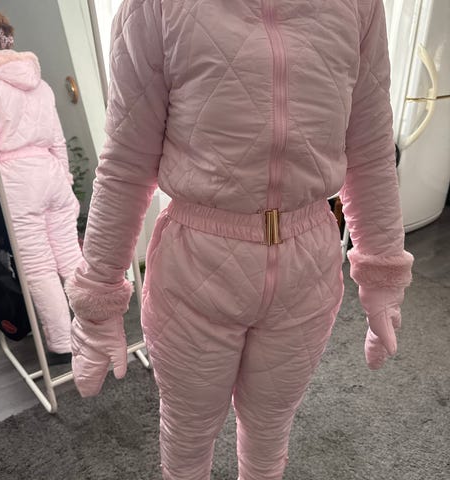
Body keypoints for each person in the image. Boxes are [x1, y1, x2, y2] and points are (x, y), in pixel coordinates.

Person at [66, 1, 414, 478]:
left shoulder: (358, 5)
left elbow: (370, 152)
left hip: (307, 268)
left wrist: (382, 274)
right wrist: (97, 297)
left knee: (271, 431)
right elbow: (126, 161)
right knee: (187, 435)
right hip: (195, 270)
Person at [0, 6, 82, 362]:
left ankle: (63, 344)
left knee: (39, 267)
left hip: (18, 180)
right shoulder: (39, 83)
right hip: (52, 174)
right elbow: (57, 141)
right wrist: (64, 179)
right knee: (71, 255)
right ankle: (97, 327)